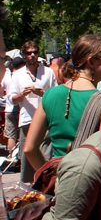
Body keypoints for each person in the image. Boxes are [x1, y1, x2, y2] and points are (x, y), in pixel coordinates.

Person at [24, 35, 101, 172]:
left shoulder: (50, 95)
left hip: (58, 183)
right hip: (87, 184)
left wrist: (48, 177)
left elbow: (29, 149)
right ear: (91, 62)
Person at [8, 41, 57, 183]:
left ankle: (47, 185)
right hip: (27, 120)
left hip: (46, 120)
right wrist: (23, 94)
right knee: (27, 157)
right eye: (29, 53)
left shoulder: (48, 72)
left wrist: (43, 93)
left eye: (35, 52)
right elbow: (12, 99)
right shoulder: (17, 75)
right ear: (24, 55)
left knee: (46, 157)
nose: (32, 55)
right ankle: (28, 189)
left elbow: (55, 95)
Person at [2, 57, 25, 154]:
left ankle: (12, 156)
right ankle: (19, 156)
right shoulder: (21, 76)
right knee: (22, 135)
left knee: (11, 136)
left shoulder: (6, 76)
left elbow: (2, 92)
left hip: (9, 108)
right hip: (20, 109)